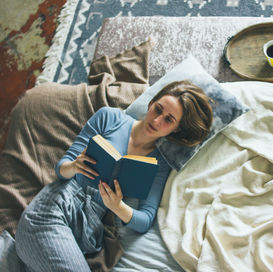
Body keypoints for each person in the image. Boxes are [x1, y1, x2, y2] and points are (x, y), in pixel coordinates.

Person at [15, 80, 213, 271]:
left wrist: (118, 207)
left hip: (83, 233)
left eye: (168, 120)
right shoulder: (109, 118)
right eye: (158, 109)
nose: (156, 120)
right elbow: (61, 168)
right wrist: (74, 166)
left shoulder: (159, 163)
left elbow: (145, 220)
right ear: (152, 102)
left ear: (176, 128)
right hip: (51, 211)